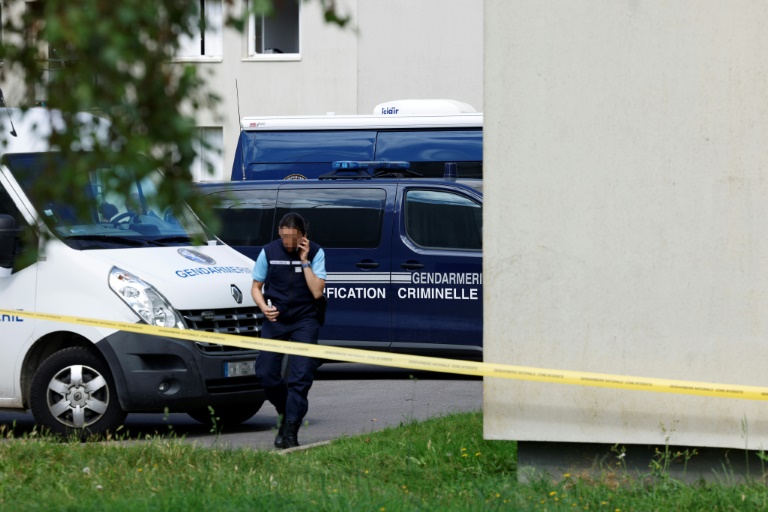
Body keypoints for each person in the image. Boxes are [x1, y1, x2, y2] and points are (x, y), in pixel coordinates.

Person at [251, 213, 326, 449]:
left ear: (303, 236)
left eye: (293, 239)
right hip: (277, 319)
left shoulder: (316, 253)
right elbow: (255, 287)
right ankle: (285, 410)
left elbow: (316, 292)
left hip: (305, 319)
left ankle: (291, 429)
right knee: (265, 373)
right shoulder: (269, 252)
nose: (288, 244)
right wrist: (264, 307)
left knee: (300, 378)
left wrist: (304, 261)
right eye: (284, 238)